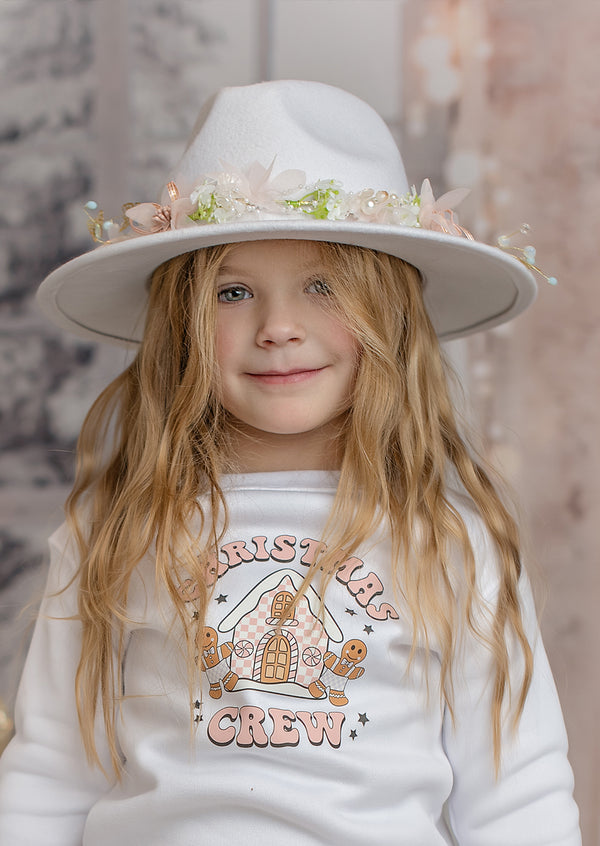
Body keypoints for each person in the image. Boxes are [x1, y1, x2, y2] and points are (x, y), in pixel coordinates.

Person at [0, 80, 581, 845]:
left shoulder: (447, 540)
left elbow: (517, 798)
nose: (278, 327)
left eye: (322, 287)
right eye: (233, 292)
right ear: (179, 324)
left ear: (391, 319)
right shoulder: (116, 528)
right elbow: (49, 773)